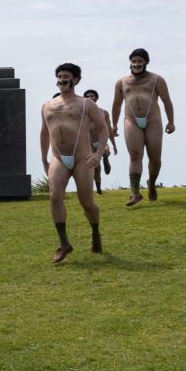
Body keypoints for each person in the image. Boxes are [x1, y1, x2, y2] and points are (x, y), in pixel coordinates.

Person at [40, 64, 109, 263]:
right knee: (54, 196)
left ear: (76, 80)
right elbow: (44, 133)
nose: (62, 79)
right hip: (59, 157)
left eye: (66, 76)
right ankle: (64, 243)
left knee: (86, 202)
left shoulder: (86, 104)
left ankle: (95, 233)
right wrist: (43, 158)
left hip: (82, 157)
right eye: (59, 76)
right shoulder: (47, 105)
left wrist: (98, 153)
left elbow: (103, 129)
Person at [110, 49, 176, 206]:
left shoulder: (156, 80)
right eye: (134, 61)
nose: (137, 63)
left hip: (153, 121)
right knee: (135, 155)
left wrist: (171, 122)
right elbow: (117, 104)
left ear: (146, 62)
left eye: (140, 61)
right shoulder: (122, 82)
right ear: (130, 62)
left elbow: (167, 101)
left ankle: (152, 183)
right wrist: (114, 125)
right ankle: (135, 193)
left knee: (155, 157)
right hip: (131, 121)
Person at [82, 89, 118, 194]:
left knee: (106, 152)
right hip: (89, 143)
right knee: (96, 168)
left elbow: (109, 129)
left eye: (92, 96)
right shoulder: (82, 113)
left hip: (101, 141)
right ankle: (98, 189)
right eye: (87, 96)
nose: (90, 98)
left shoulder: (103, 112)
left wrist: (114, 145)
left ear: (96, 98)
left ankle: (106, 158)